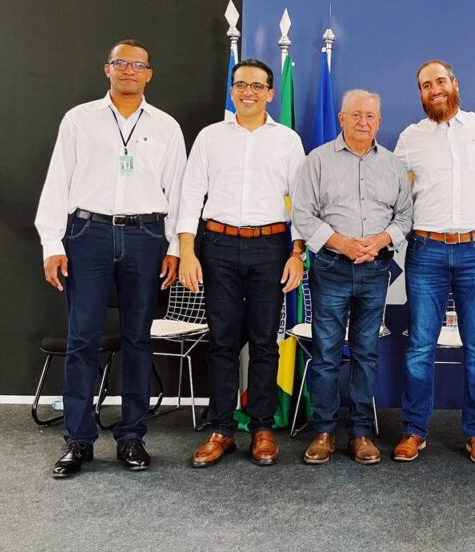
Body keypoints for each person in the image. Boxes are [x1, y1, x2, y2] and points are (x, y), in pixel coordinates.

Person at [35, 40, 186, 478]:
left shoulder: (166, 126)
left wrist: (175, 247)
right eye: (121, 62)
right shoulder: (79, 119)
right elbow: (57, 180)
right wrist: (51, 243)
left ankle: (132, 437)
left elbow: (178, 191)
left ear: (149, 74)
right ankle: (78, 441)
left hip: (146, 236)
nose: (129, 70)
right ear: (107, 69)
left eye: (138, 64)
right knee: (82, 339)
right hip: (88, 233)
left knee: (138, 339)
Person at [177, 59, 306, 468]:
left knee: (265, 341)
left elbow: (302, 202)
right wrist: (187, 251)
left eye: (256, 86)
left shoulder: (287, 140)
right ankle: (221, 429)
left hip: (271, 247)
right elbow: (190, 194)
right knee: (222, 341)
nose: (247, 92)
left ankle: (262, 428)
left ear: (270, 93)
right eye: (240, 84)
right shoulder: (210, 137)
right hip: (218, 246)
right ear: (232, 90)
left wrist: (297, 254)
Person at [292, 89, 413, 465]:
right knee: (327, 354)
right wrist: (342, 244)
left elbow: (404, 216)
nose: (363, 122)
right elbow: (303, 213)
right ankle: (324, 431)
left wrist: (380, 240)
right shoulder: (317, 160)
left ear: (379, 121)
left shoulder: (393, 165)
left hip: (376, 269)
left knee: (366, 353)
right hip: (331, 268)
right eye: (356, 115)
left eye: (370, 116)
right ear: (341, 118)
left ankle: (360, 432)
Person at [393, 60, 475, 465]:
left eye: (440, 81)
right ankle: (413, 431)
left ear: (455, 83)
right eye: (426, 85)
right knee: (420, 345)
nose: (434, 89)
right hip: (427, 250)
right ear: (421, 94)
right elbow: (387, 184)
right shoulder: (410, 137)